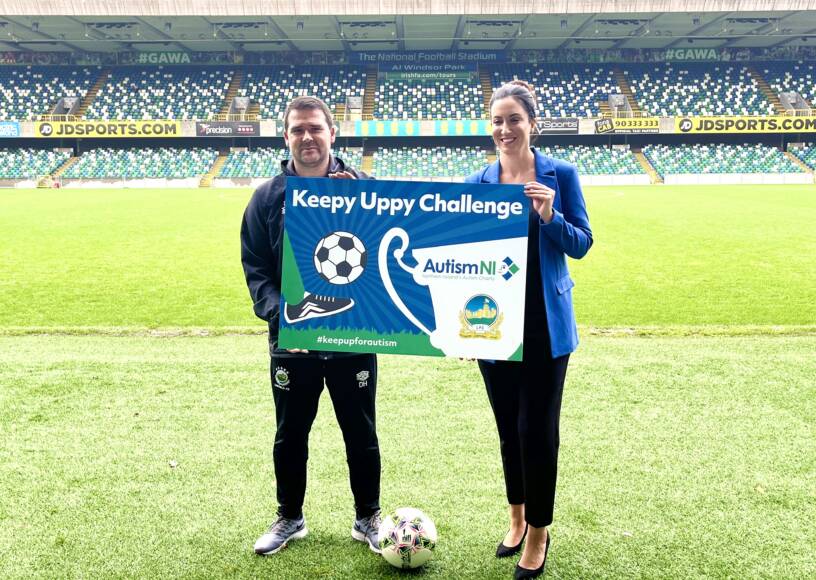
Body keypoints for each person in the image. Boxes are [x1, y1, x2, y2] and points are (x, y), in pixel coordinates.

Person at [240, 96, 382, 556]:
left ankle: (367, 518)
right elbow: (256, 265)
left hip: (352, 335)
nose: (307, 137)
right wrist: (279, 312)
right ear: (286, 137)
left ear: (332, 133)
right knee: (290, 434)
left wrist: (356, 202)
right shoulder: (268, 196)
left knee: (360, 431)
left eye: (315, 129)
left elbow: (386, 255)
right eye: (298, 130)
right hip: (292, 340)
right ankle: (289, 517)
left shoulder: (362, 185)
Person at [465, 80, 593, 579]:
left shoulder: (560, 174)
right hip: (491, 324)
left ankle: (539, 533)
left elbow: (582, 242)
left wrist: (549, 216)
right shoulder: (479, 181)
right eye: (497, 120)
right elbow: (466, 257)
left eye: (513, 119)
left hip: (544, 324)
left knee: (535, 431)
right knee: (506, 429)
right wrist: (461, 329)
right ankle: (516, 519)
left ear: (532, 123)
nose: (504, 129)